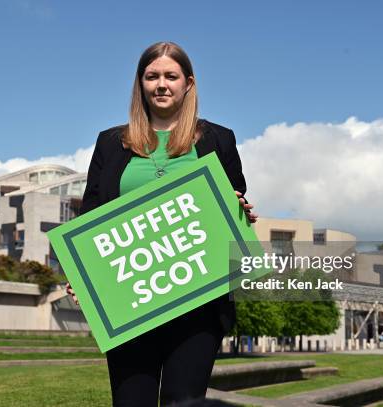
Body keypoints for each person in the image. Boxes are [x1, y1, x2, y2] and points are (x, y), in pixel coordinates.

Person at [67, 41, 257, 407]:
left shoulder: (219, 139)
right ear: (140, 84)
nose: (161, 84)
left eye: (171, 76)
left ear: (188, 83)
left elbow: (232, 207)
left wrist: (240, 209)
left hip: (197, 303)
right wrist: (80, 274)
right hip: (129, 301)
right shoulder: (110, 143)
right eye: (152, 76)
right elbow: (90, 216)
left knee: (182, 402)